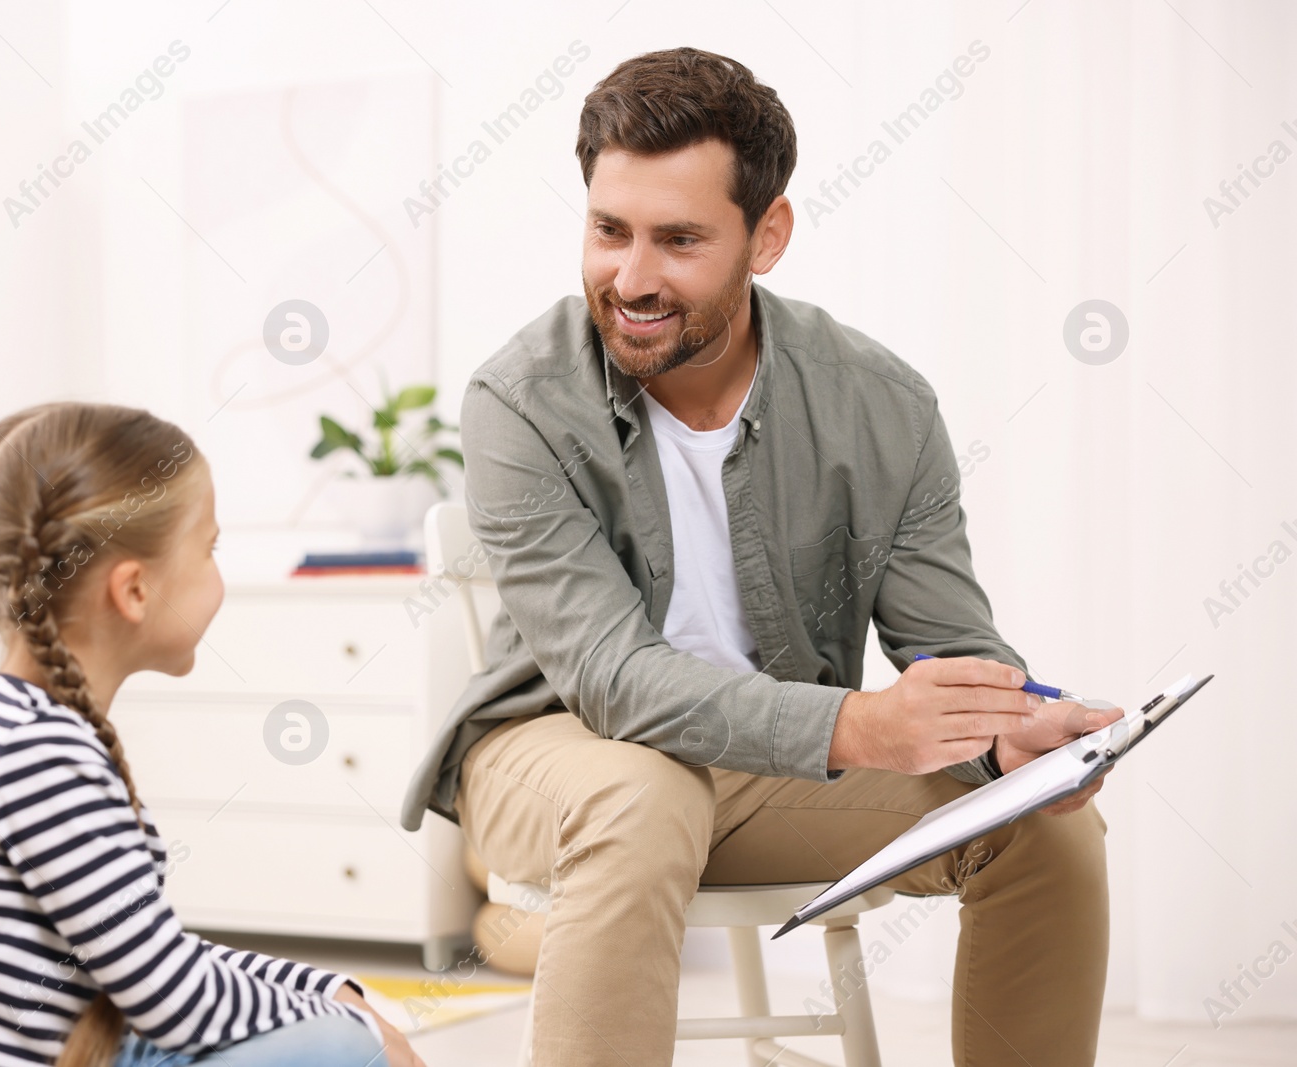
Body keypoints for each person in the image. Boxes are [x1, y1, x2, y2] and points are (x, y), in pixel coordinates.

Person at [401, 47, 1125, 1067]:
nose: (631, 277)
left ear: (767, 234)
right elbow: (610, 681)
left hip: (770, 768)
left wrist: (1006, 728)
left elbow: (946, 640)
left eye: (679, 239)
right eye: (609, 230)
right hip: (549, 750)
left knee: (1040, 826)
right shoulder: (520, 401)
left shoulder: (881, 402)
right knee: (639, 793)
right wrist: (860, 721)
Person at [0, 402, 424, 1067]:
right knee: (341, 1047)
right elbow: (178, 1001)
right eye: (209, 549)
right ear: (134, 590)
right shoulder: (38, 755)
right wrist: (350, 1023)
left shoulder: (22, 728)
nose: (217, 574)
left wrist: (319, 986)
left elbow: (147, 955)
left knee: (332, 1025)